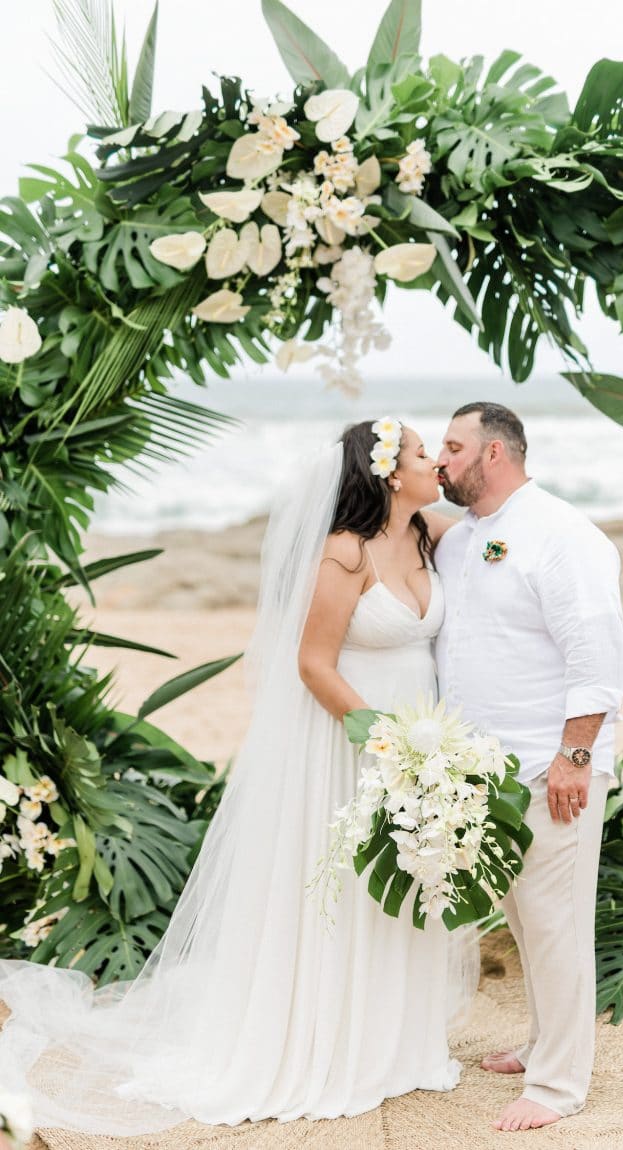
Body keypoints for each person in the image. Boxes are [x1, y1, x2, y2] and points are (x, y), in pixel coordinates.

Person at [0, 419, 473, 1135]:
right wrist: (386, 739)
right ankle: (325, 1042)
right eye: (418, 452)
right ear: (385, 474)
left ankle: (395, 1042)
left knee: (405, 879)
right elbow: (312, 664)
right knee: (344, 887)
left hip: (422, 740)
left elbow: (492, 543)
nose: (434, 458)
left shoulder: (430, 535)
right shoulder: (345, 553)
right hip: (352, 741)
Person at [434, 401, 623, 1134]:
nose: (442, 459)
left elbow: (599, 657)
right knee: (523, 918)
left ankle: (558, 1085)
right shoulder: (463, 541)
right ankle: (543, 1042)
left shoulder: (562, 534)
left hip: (555, 769)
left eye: (453, 446)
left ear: (494, 454)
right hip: (487, 770)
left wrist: (574, 756)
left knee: (556, 923)